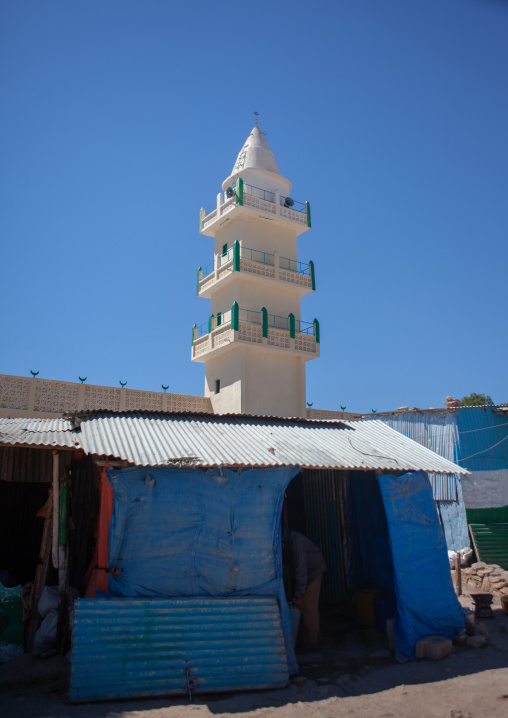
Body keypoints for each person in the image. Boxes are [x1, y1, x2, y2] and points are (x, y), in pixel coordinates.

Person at [282, 528, 326, 650]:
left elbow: (301, 568)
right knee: (308, 606)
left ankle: (312, 644)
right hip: (309, 572)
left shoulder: (295, 540)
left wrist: (298, 595)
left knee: (307, 607)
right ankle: (314, 638)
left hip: (313, 572)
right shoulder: (288, 542)